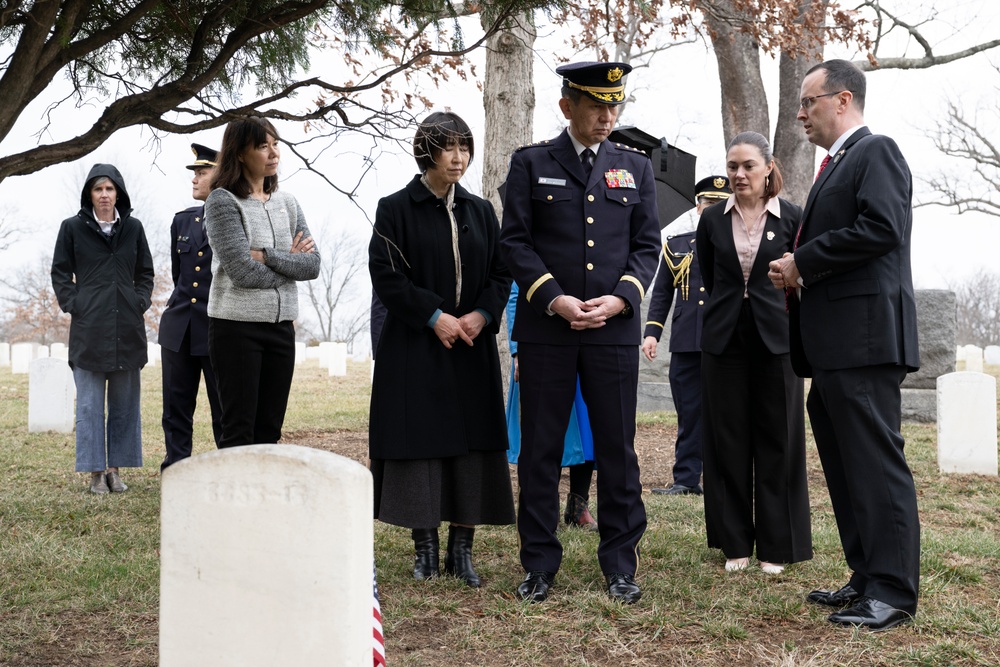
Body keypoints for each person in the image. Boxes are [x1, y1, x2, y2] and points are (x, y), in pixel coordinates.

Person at [499, 61, 660, 604]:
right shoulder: (530, 163)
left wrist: (620, 300)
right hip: (549, 330)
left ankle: (620, 563)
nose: (607, 116)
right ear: (567, 106)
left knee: (616, 447)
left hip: (612, 332)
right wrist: (556, 300)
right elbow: (515, 243)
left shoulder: (634, 168)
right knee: (542, 449)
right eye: (596, 106)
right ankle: (539, 564)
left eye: (614, 106)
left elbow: (646, 246)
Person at [768, 59, 920, 631]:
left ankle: (894, 592)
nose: (801, 114)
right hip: (832, 347)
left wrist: (802, 261)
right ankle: (866, 575)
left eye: (808, 102)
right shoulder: (836, 165)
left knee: (876, 468)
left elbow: (883, 228)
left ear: (842, 100)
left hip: (864, 343)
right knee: (848, 467)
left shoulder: (876, 151)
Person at [369, 111, 515, 588]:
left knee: (472, 448)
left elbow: (499, 273)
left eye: (464, 147)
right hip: (416, 346)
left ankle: (462, 551)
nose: (458, 157)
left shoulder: (480, 211)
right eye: (448, 147)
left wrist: (481, 315)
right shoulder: (394, 208)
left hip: (470, 347)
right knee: (421, 445)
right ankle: (426, 551)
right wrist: (435, 316)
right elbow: (387, 276)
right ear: (426, 151)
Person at [696, 132, 811, 575]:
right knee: (728, 441)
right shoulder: (711, 220)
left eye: (747, 166)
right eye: (732, 167)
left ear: (768, 167)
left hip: (777, 340)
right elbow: (710, 275)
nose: (738, 175)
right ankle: (735, 543)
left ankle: (777, 546)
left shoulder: (794, 218)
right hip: (723, 341)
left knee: (778, 440)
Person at [203, 118, 320, 448]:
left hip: (282, 328)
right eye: (263, 146)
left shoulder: (288, 203)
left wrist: (267, 255)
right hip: (236, 329)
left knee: (270, 430)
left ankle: (263, 501)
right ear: (240, 153)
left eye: (275, 144)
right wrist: (289, 262)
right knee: (239, 431)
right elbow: (241, 271)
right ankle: (233, 500)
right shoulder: (223, 201)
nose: (274, 153)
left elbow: (312, 265)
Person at [51, 164, 155, 494]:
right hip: (89, 330)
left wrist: (138, 301)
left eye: (110, 189)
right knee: (90, 407)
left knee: (124, 407)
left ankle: (115, 470)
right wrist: (75, 304)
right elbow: (60, 273)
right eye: (99, 189)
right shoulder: (72, 228)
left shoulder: (134, 228)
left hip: (127, 329)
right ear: (89, 195)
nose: (105, 195)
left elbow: (146, 273)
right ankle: (96, 472)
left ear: (119, 194)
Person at [642, 175, 731, 496]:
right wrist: (652, 333)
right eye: (710, 203)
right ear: (698, 206)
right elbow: (663, 292)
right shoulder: (677, 245)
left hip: (727, 342)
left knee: (725, 412)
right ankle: (686, 479)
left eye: (721, 204)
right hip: (686, 341)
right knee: (689, 412)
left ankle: (723, 479)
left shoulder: (743, 244)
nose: (714, 209)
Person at [505, 282, 597, 531]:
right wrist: (517, 351)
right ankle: (547, 508)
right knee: (548, 430)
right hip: (543, 343)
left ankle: (579, 505)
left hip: (590, 340)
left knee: (586, 426)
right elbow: (517, 293)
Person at [159, 143, 224, 470]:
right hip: (179, 330)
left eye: (202, 172)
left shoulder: (235, 217)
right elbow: (178, 275)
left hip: (216, 328)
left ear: (221, 174)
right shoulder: (182, 221)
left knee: (223, 410)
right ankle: (176, 468)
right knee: (175, 407)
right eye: (194, 172)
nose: (195, 178)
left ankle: (229, 468)